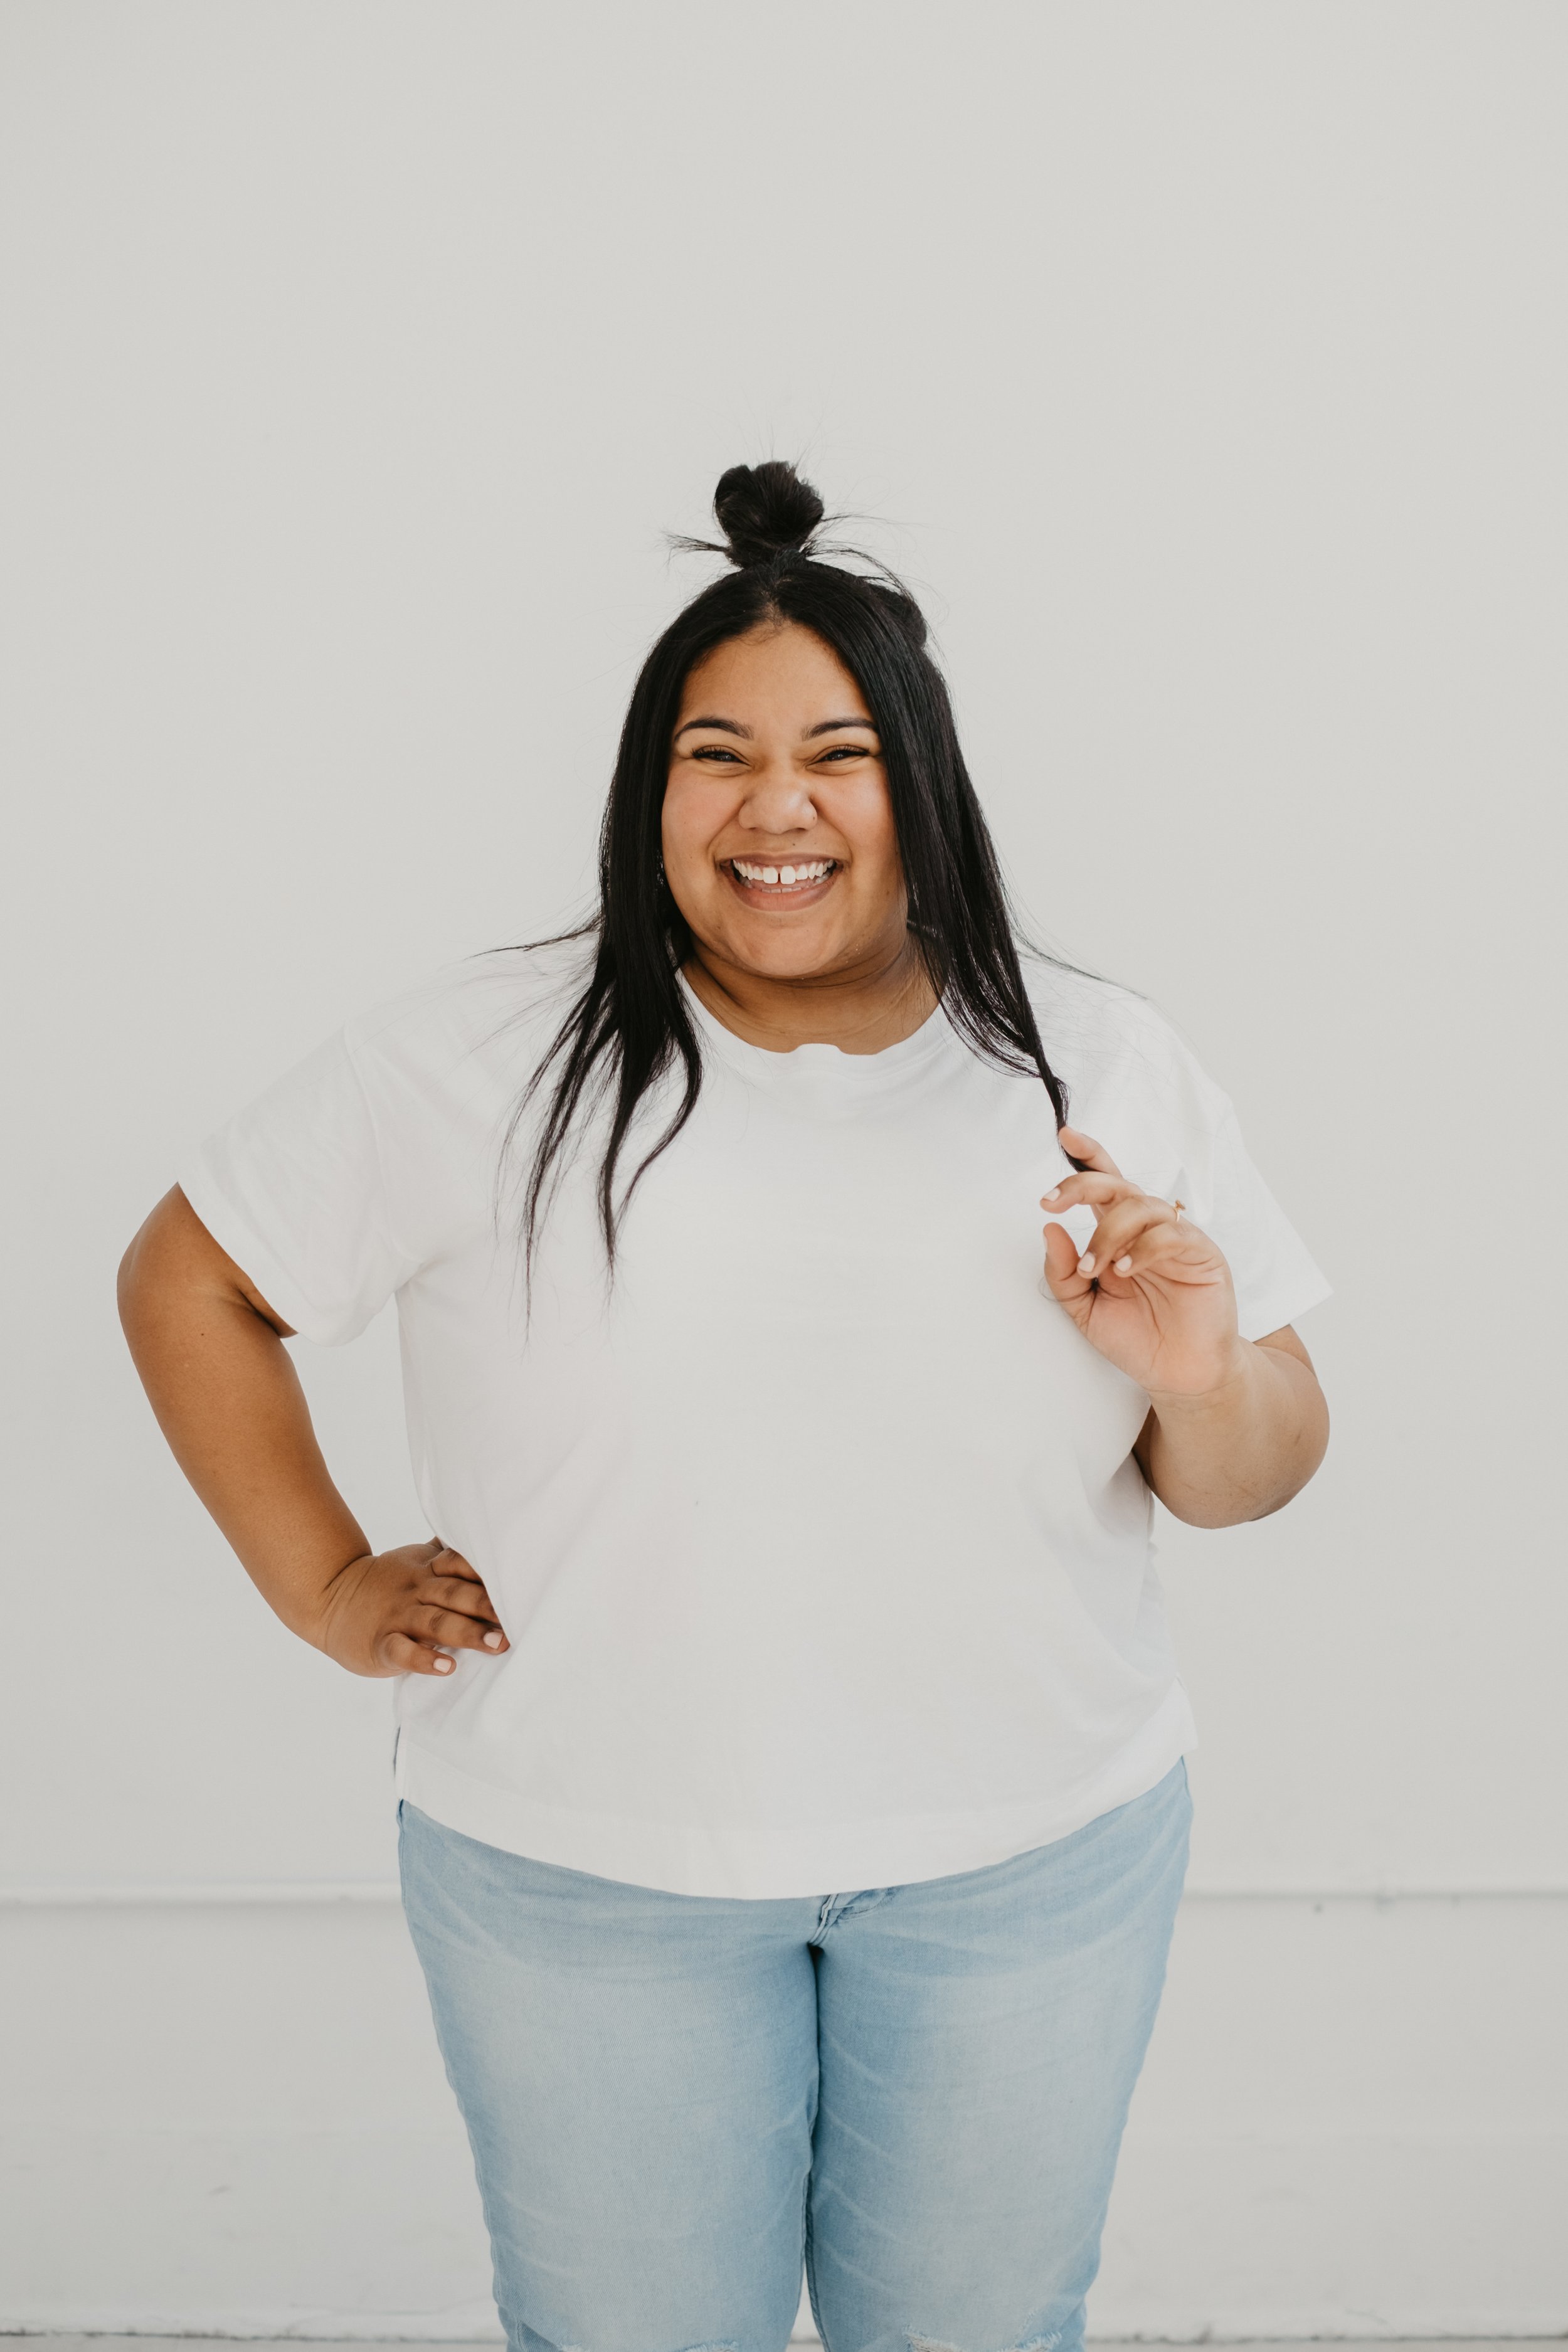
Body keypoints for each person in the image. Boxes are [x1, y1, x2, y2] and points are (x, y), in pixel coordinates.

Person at [119, 461, 1330, 2352]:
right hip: (583, 1873)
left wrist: (1205, 1374)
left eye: (841, 754)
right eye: (717, 755)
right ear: (648, 791)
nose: (778, 807)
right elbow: (192, 1277)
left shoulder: (1089, 1059)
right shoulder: (481, 1055)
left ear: (923, 785)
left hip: (1029, 1862)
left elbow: (1253, 1473)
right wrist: (326, 1582)